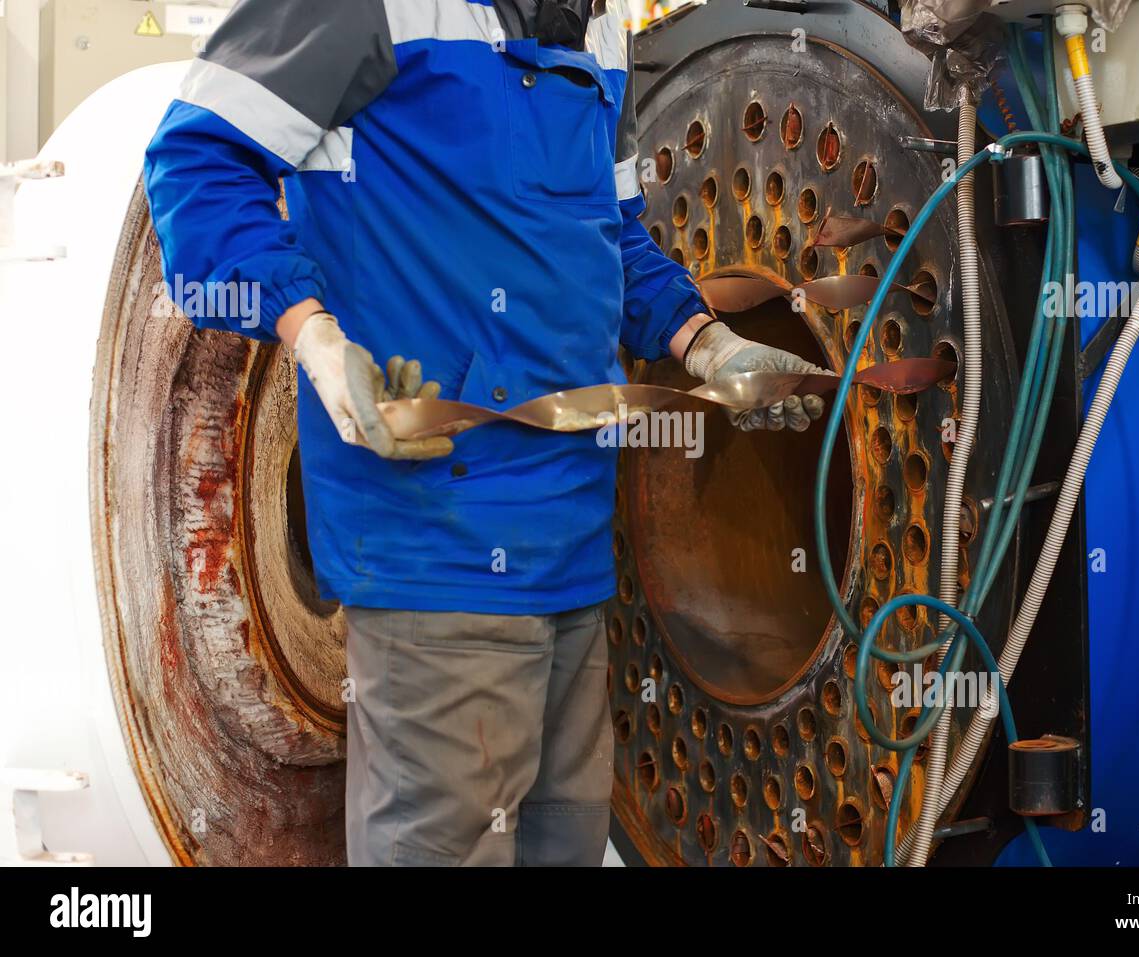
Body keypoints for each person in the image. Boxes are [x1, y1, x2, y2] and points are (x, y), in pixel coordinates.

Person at [144, 0, 826, 866]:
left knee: (563, 845)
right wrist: (313, 335)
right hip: (436, 548)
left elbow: (605, 235)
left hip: (573, 553)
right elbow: (194, 158)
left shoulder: (595, 26)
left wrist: (704, 340)